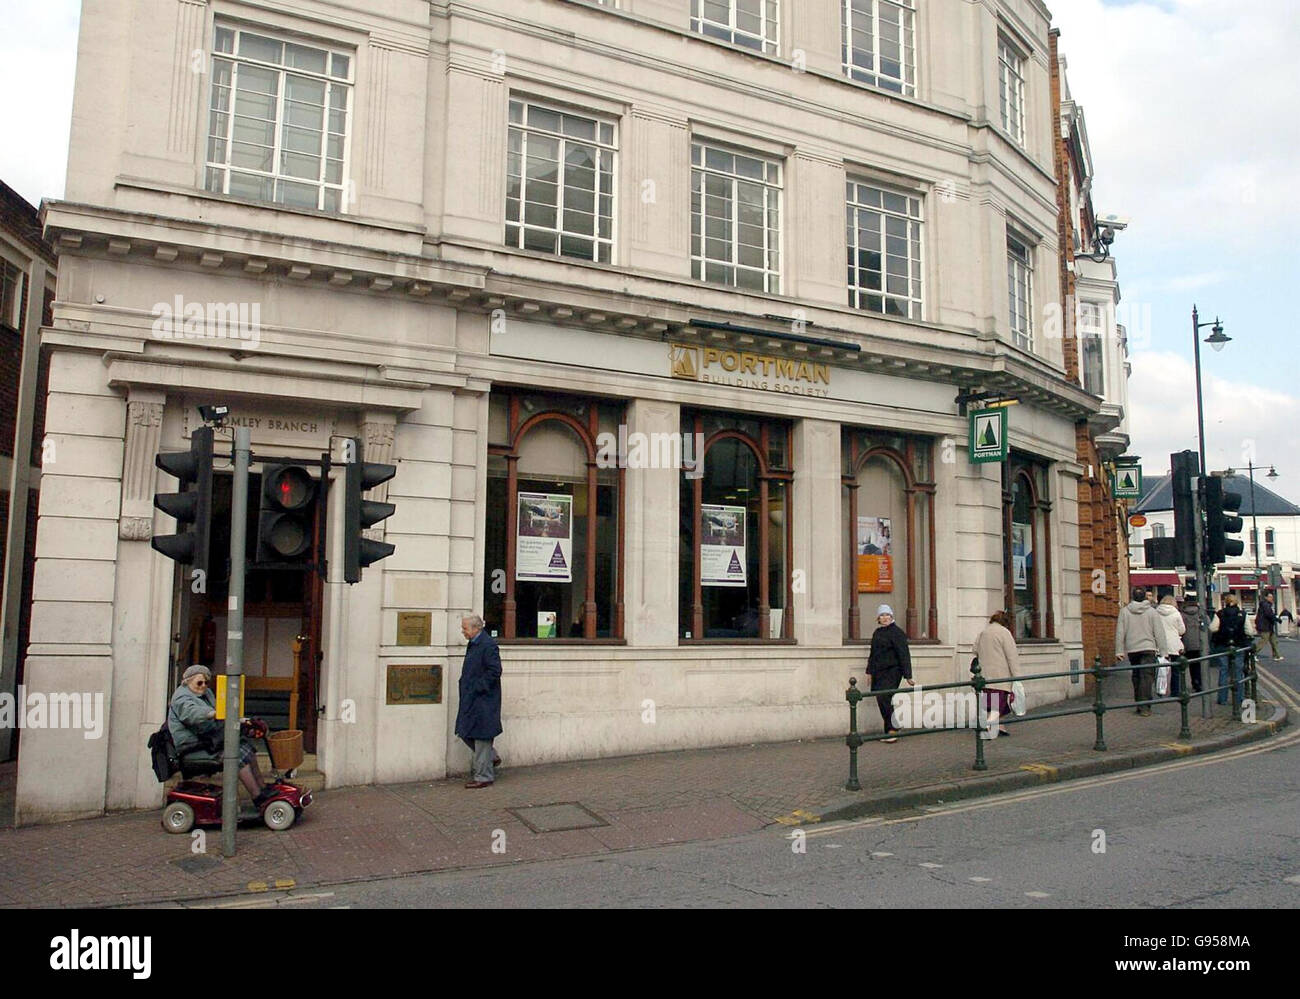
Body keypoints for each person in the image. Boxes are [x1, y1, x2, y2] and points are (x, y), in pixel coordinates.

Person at [167, 664, 273, 805]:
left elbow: (223, 713)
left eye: (206, 682)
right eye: (199, 682)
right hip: (193, 745)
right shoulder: (181, 698)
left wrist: (244, 722)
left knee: (246, 747)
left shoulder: (206, 693)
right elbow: (192, 713)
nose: (203, 686)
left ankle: (262, 787)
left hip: (207, 739)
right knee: (236, 756)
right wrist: (213, 714)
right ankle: (257, 796)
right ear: (188, 681)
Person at [456, 613, 503, 788]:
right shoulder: (474, 643)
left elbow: (495, 671)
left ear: (476, 628)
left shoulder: (487, 645)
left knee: (482, 738)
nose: (463, 632)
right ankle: (491, 757)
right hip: (472, 699)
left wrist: (478, 687)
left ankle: (484, 776)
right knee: (465, 732)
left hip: (483, 700)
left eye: (465, 628)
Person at [1115, 586, 1169, 716]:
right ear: (1145, 596)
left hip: (1133, 649)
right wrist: (1164, 652)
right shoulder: (1152, 612)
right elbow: (1159, 632)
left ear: (1132, 596)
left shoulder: (1125, 611)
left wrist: (1119, 651)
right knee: (1147, 676)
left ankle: (1138, 702)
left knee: (1136, 675)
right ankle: (1144, 706)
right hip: (1148, 648)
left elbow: (1120, 632)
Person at [867, 604, 913, 743]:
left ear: (892, 616)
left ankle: (892, 730)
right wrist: (869, 672)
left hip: (893, 671)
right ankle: (891, 728)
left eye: (887, 615)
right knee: (881, 698)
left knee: (885, 697)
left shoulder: (897, 633)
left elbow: (904, 654)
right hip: (878, 672)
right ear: (878, 619)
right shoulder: (877, 633)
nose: (885, 617)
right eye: (882, 615)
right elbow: (873, 654)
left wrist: (908, 675)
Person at [973, 610, 1019, 735]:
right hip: (1001, 674)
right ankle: (988, 726)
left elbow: (974, 649)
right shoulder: (1004, 633)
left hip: (985, 675)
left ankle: (999, 726)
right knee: (1000, 703)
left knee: (991, 703)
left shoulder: (984, 632)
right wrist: (1017, 676)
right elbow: (1012, 656)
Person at [1211, 594, 1248, 706]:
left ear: (1225, 602)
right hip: (1238, 645)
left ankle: (1222, 699)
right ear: (1237, 602)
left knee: (1223, 671)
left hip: (1223, 645)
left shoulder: (1220, 614)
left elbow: (1212, 628)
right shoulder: (1242, 614)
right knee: (1238, 672)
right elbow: (1249, 631)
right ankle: (1239, 698)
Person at [1156, 595, 1186, 696]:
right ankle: (1175, 691)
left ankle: (1160, 689)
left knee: (1161, 668)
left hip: (1160, 643)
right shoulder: (1176, 613)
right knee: (1176, 669)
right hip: (1174, 643)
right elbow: (1182, 630)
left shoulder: (1156, 612)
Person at [1180, 595, 1204, 693]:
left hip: (1186, 643)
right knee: (1198, 664)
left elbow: (1180, 629)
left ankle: (1188, 684)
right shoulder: (1201, 613)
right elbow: (1208, 626)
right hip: (1200, 642)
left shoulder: (1182, 614)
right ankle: (1198, 683)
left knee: (1186, 665)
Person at [1254, 591, 1281, 661]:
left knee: (1274, 641)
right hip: (1264, 626)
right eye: (1270, 597)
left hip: (1269, 626)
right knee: (1264, 640)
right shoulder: (1265, 605)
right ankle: (1253, 653)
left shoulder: (1268, 605)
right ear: (1266, 597)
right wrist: (1277, 619)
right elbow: (1269, 614)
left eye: (1272, 597)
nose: (1271, 598)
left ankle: (1276, 655)